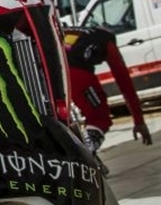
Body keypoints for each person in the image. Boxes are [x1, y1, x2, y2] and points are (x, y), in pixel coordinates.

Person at [64, 24, 153, 155]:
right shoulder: (106, 40)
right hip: (75, 72)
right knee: (99, 118)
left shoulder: (70, 31)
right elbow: (124, 81)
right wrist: (139, 121)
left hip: (46, 69)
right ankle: (86, 152)